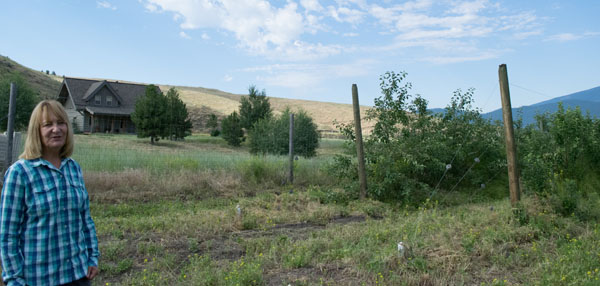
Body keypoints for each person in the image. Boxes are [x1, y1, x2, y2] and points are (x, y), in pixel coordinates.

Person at [1, 100, 99, 286]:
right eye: (48, 124)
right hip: (38, 279)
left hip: (78, 275)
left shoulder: (73, 168)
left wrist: (92, 256)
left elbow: (85, 218)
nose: (56, 129)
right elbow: (7, 236)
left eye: (61, 123)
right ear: (36, 131)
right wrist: (14, 280)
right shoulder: (20, 173)